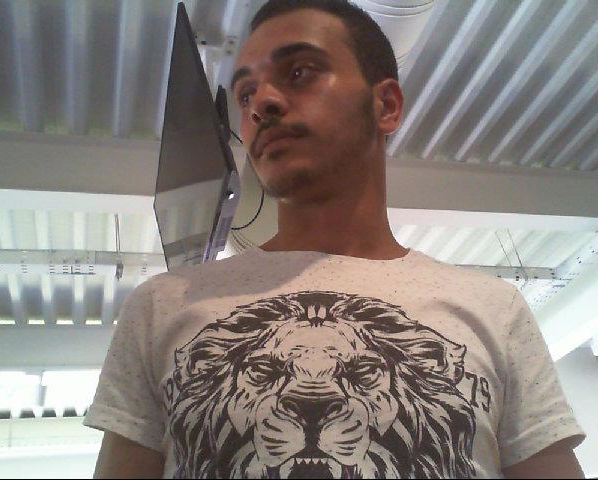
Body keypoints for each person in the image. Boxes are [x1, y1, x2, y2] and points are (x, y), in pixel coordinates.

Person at [84, 0, 586, 478]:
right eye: (245, 94)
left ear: (386, 105)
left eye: (299, 72)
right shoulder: (164, 304)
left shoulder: (495, 309)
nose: (261, 104)